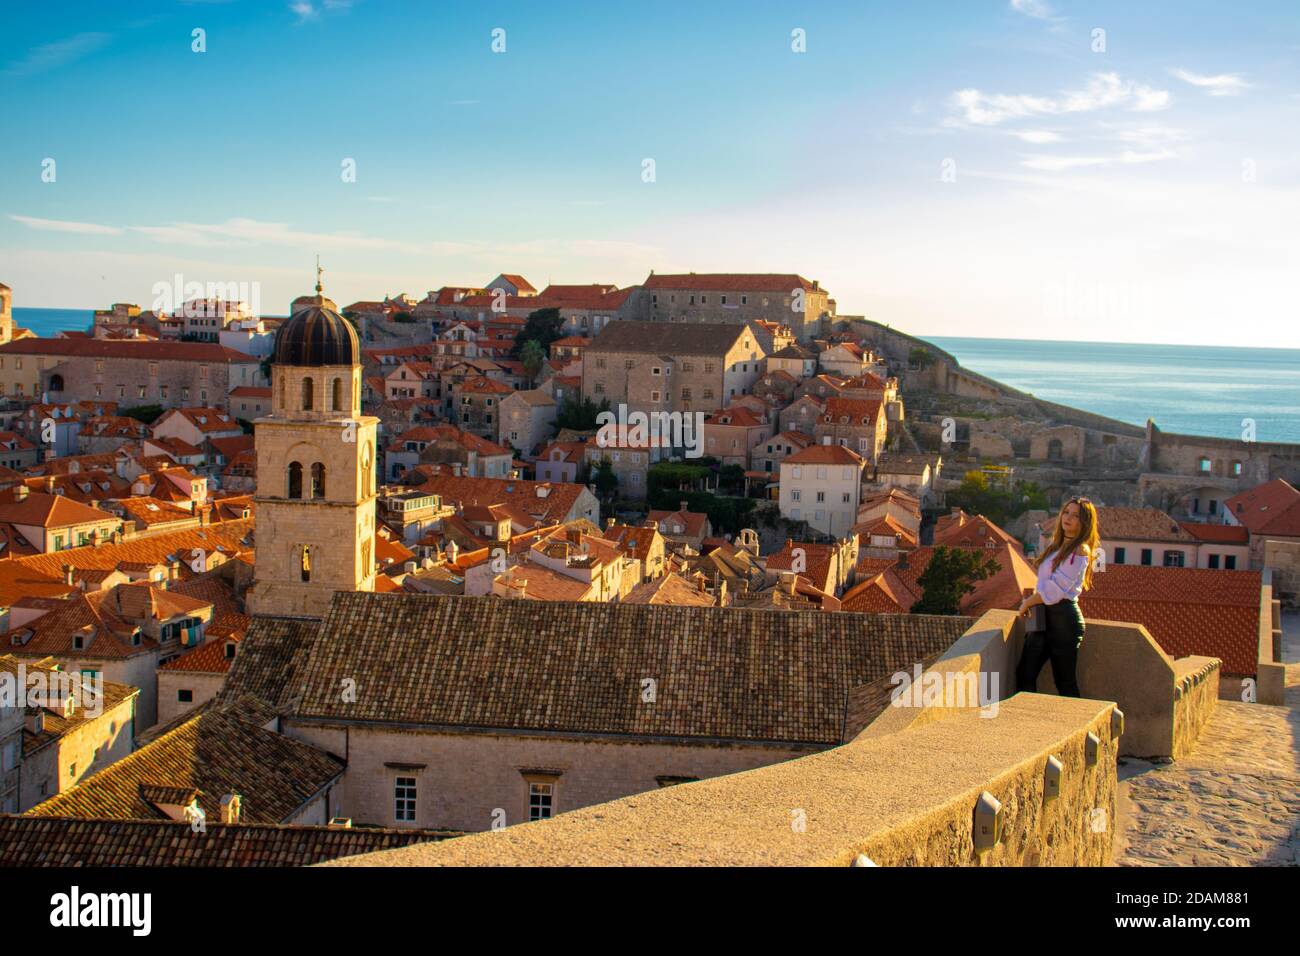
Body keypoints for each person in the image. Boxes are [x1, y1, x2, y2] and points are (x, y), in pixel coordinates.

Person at [1016, 497, 1099, 698]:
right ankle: (1027, 723)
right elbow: (1044, 585)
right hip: (1044, 615)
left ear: (1084, 522)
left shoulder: (1080, 550)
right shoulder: (1057, 546)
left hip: (1064, 619)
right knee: (1025, 673)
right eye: (1066, 512)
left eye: (1075, 515)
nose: (1068, 518)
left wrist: (1027, 602)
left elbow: (1056, 590)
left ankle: (1077, 726)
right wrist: (1033, 603)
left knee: (1065, 683)